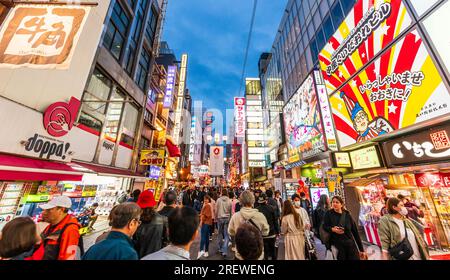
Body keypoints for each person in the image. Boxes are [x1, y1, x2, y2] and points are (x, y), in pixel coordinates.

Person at [228, 190, 269, 259]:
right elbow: (266, 232)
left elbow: (230, 232)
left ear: (241, 202)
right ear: (253, 201)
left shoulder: (235, 216)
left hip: (240, 254)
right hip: (257, 254)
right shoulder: (260, 216)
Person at [323, 196, 366, 260]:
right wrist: (332, 229)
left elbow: (355, 232)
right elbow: (325, 226)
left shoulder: (347, 215)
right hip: (338, 246)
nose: (334, 204)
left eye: (337, 202)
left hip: (350, 245)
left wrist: (361, 249)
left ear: (341, 204)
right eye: (333, 202)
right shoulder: (328, 214)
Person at [38, 195, 81, 260]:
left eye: (49, 210)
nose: (44, 213)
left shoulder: (70, 230)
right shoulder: (51, 225)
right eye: (44, 210)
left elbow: (68, 257)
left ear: (61, 210)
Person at [133, 190, 168, 258]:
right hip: (156, 257)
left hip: (137, 256)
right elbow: (166, 241)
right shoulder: (163, 220)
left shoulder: (134, 220)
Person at [256, 193, 280, 260]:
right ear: (266, 200)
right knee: (273, 251)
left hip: (262, 234)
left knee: (264, 251)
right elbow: (275, 221)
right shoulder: (271, 208)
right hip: (271, 233)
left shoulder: (257, 210)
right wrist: (277, 231)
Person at [216, 189, 232, 257]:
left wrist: (216, 217)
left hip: (220, 218)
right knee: (226, 235)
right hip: (227, 218)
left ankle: (220, 248)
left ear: (222, 193)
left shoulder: (218, 200)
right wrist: (230, 218)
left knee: (219, 233)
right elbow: (231, 211)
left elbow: (216, 209)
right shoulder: (229, 200)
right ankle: (224, 250)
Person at [198, 195, 213, 259]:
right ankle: (206, 251)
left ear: (209, 199)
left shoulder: (207, 205)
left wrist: (201, 221)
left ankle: (201, 251)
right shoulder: (209, 205)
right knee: (206, 237)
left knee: (203, 237)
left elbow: (204, 215)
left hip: (205, 223)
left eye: (206, 199)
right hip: (208, 223)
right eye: (204, 199)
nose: (205, 200)